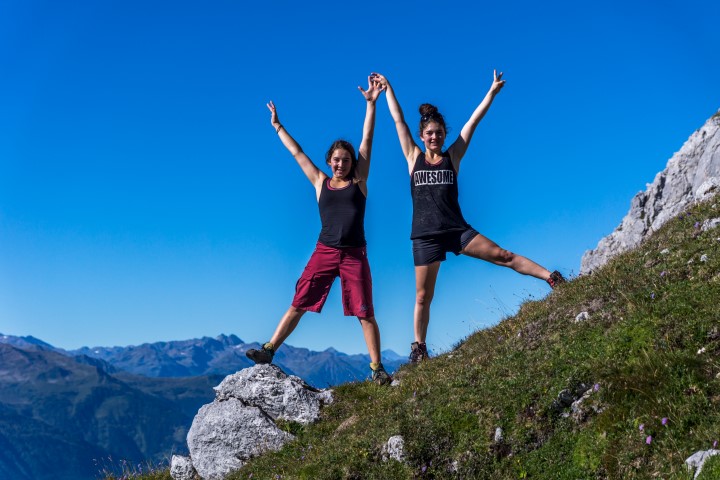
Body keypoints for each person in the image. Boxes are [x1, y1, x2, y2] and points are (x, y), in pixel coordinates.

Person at [372, 71, 566, 363]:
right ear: (422, 136)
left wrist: (492, 92)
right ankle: (419, 348)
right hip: (425, 236)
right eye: (429, 133)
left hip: (456, 230)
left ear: (444, 135)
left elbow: (472, 122)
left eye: (439, 133)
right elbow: (398, 120)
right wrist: (389, 89)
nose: (434, 137)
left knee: (503, 255)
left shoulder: (453, 157)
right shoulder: (413, 157)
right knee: (423, 296)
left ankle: (552, 278)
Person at [245, 77, 391, 385]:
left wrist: (371, 105)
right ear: (329, 161)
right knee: (299, 302)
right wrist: (278, 127)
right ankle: (269, 350)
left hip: (354, 254)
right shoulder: (319, 182)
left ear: (352, 163)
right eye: (336, 160)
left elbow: (367, 141)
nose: (341, 164)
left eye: (346, 160)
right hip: (324, 251)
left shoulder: (359, 182)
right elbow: (298, 153)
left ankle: (377, 369)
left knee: (365, 312)